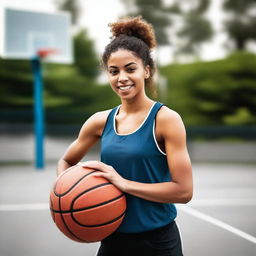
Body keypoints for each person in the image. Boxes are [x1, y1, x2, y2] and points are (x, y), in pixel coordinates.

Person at [57, 16, 193, 256]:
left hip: (158, 242)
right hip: (113, 240)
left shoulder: (166, 120)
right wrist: (68, 191)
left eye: (130, 69)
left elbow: (183, 191)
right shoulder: (100, 121)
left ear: (146, 70)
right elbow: (67, 161)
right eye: (113, 71)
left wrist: (123, 184)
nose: (122, 78)